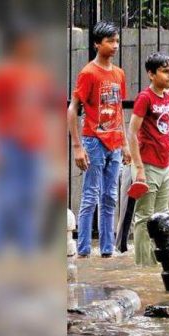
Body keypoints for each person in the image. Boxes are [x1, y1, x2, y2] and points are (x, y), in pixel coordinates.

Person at [0, 20, 57, 255]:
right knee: (6, 197)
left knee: (31, 198)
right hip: (8, 143)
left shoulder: (39, 75)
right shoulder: (1, 74)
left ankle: (27, 254)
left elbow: (48, 111)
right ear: (17, 44)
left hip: (34, 144)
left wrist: (53, 146)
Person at [67, 20, 130, 258]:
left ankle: (107, 250)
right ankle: (83, 249)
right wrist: (77, 146)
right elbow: (73, 109)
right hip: (93, 141)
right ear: (97, 44)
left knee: (110, 196)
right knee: (91, 195)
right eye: (109, 41)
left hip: (114, 143)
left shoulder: (119, 73)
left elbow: (118, 110)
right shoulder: (88, 73)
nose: (115, 45)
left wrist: (124, 143)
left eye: (116, 40)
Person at [126, 52, 169, 266]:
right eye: (165, 71)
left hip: (163, 164)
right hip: (146, 165)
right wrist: (138, 168)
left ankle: (160, 262)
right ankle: (144, 266)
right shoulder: (145, 98)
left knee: (162, 214)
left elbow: (161, 129)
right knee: (144, 218)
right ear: (151, 74)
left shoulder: (167, 97)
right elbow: (132, 133)